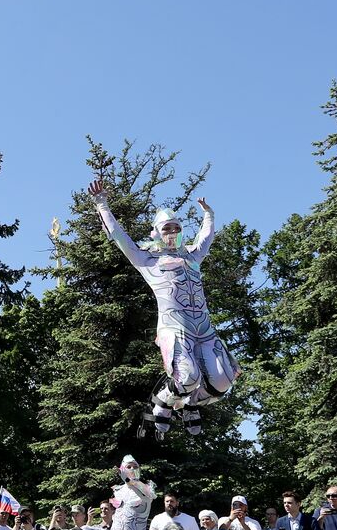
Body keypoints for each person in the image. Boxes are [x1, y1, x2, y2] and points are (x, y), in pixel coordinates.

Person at [88, 181, 238, 436]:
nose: (172, 232)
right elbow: (119, 237)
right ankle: (162, 401)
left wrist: (209, 215)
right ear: (156, 232)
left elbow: (206, 237)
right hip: (175, 328)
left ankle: (188, 404)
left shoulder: (192, 256)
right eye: (166, 228)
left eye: (176, 228)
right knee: (187, 376)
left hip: (204, 329)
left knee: (223, 382)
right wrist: (101, 204)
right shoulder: (147, 260)